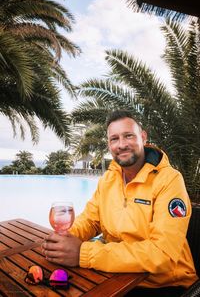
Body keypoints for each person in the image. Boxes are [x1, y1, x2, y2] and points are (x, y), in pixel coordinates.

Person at [42, 110, 198, 296]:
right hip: (115, 276)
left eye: (128, 136)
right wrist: (64, 241)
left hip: (165, 285)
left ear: (143, 137)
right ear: (108, 144)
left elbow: (161, 254)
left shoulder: (170, 180)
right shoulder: (108, 179)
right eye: (114, 139)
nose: (121, 144)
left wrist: (83, 253)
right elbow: (91, 220)